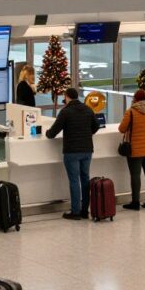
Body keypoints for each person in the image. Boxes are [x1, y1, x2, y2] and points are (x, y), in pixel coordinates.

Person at [45, 87, 101, 220]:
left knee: (74, 181)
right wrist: (87, 135)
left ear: (67, 96)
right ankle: (84, 210)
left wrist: (47, 132)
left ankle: (75, 212)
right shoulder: (88, 109)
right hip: (87, 150)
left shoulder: (65, 112)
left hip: (72, 151)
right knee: (85, 179)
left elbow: (53, 133)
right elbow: (96, 126)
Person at [118, 89, 145, 211]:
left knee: (135, 175)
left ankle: (135, 202)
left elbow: (121, 129)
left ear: (135, 99)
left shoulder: (131, 111)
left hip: (135, 148)